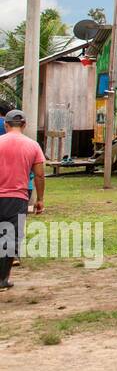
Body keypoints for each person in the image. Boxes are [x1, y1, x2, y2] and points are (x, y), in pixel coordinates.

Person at [0, 108, 45, 289]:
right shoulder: (33, 145)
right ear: (24, 125)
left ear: (6, 124)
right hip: (18, 197)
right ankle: (2, 279)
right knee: (11, 238)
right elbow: (40, 175)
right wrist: (40, 199)